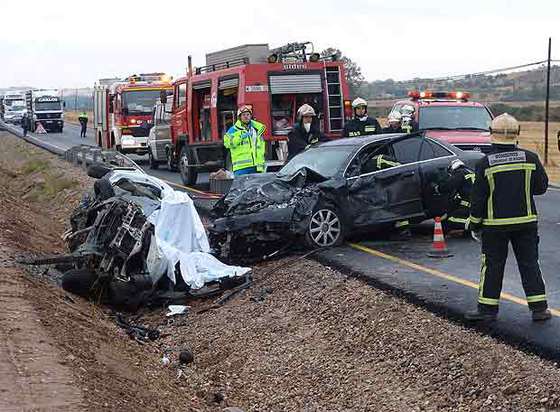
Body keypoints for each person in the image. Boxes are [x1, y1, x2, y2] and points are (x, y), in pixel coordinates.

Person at [466, 113, 550, 322]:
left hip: (495, 226)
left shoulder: (485, 163)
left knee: (493, 265)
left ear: (492, 135)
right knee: (530, 263)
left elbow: (478, 199)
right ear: (517, 134)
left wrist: (474, 224)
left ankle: (487, 310)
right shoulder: (530, 158)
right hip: (526, 223)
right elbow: (541, 188)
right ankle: (539, 309)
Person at [432, 159, 475, 234]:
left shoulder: (459, 173)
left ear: (453, 168)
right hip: (477, 204)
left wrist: (438, 188)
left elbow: (449, 185)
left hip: (469, 206)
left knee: (450, 220)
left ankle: (472, 225)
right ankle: (469, 229)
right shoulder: (471, 172)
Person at [223, 105, 266, 176]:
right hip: (241, 168)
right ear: (239, 117)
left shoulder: (256, 130)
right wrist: (241, 137)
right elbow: (227, 144)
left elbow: (261, 147)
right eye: (243, 115)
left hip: (256, 167)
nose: (246, 117)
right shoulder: (233, 130)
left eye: (248, 114)